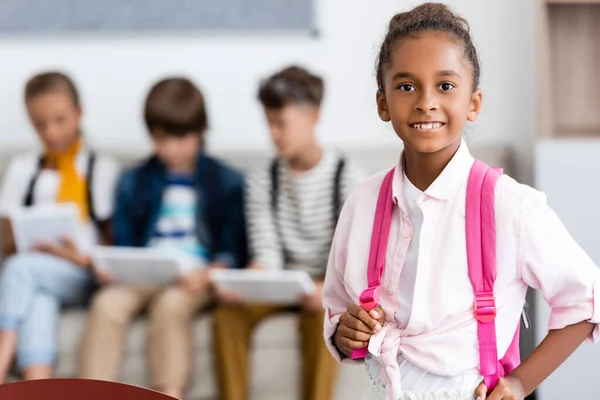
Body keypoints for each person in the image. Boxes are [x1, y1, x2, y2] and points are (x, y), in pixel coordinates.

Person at [322, 4, 600, 400]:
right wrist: (346, 330)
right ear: (383, 103)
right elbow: (337, 313)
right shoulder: (362, 203)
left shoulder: (510, 206)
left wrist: (521, 381)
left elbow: (587, 299)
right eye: (406, 86)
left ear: (474, 102)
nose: (425, 102)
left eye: (445, 86)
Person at [79, 77, 248, 399]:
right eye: (161, 139)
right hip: (144, 272)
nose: (171, 149)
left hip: (194, 277)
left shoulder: (225, 182)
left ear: (201, 132)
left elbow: (232, 251)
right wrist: (111, 268)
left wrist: (212, 272)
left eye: (181, 138)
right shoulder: (134, 180)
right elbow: (125, 246)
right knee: (106, 304)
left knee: (170, 307)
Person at [212, 65, 366, 400]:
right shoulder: (261, 179)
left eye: (282, 123)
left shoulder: (348, 177)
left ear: (313, 117)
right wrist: (249, 281)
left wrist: (327, 289)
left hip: (326, 285)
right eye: (269, 123)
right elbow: (265, 250)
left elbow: (354, 259)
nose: (274, 134)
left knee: (324, 322)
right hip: (281, 280)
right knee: (228, 316)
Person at [0, 71, 120, 382]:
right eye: (40, 124)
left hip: (82, 273)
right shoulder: (22, 169)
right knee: (39, 299)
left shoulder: (101, 169)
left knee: (19, 269)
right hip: (39, 273)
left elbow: (115, 244)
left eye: (60, 120)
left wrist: (77, 256)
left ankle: (2, 353)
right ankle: (36, 385)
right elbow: (5, 240)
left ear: (79, 114)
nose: (51, 132)